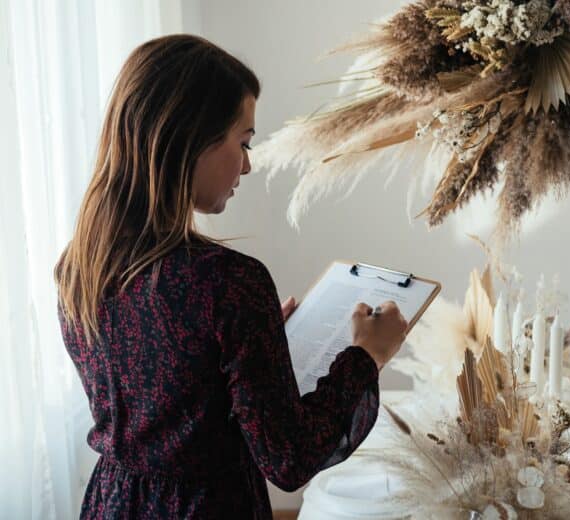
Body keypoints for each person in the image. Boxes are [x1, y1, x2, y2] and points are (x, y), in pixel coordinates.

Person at [54, 34, 407, 519]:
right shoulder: (229, 283)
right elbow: (290, 458)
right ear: (189, 139)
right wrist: (366, 356)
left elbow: (165, 395)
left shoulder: (80, 266)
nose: (248, 164)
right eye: (243, 142)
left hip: (113, 503)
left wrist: (255, 345)